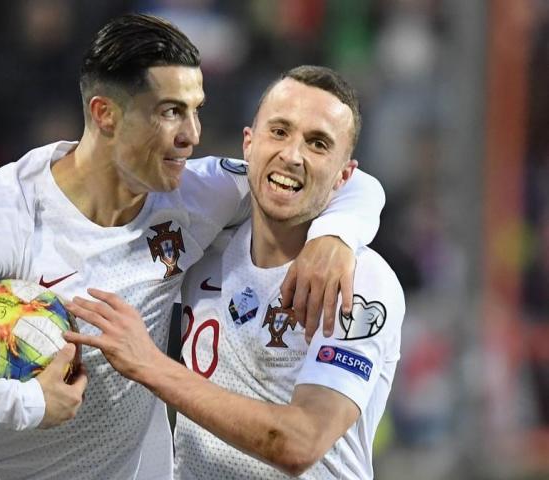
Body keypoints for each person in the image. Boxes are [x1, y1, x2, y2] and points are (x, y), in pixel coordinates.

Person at [0, 15, 384, 480]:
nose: (192, 134)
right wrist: (26, 403)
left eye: (196, 109)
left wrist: (334, 235)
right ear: (105, 114)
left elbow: (337, 178)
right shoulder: (3, 215)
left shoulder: (194, 192)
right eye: (170, 111)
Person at [65, 65, 404, 479]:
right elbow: (95, 201)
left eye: (317, 144)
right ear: (248, 144)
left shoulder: (360, 281)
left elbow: (300, 442)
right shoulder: (203, 242)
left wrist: (151, 365)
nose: (292, 155)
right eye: (279, 132)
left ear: (344, 177)